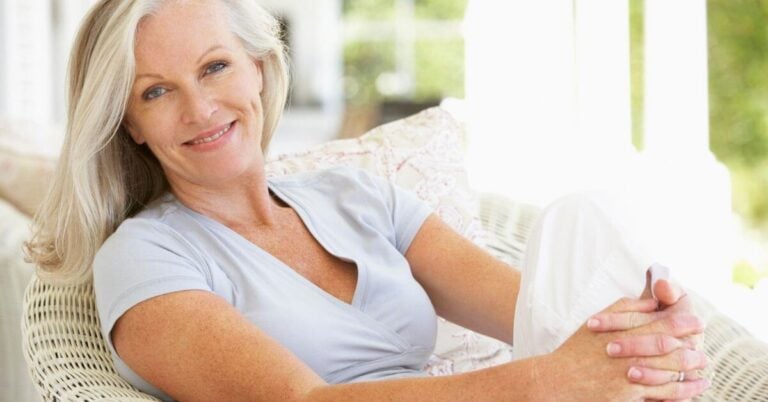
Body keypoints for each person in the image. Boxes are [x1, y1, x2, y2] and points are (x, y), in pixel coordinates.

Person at [26, 0, 709, 400]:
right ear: (129, 124)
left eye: (215, 66)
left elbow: (542, 315)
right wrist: (541, 384)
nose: (201, 107)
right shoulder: (145, 257)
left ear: (260, 71)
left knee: (587, 219)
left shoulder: (352, 195)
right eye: (156, 91)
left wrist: (646, 331)